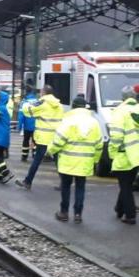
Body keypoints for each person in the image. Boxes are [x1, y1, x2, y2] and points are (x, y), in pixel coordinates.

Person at [47, 95, 103, 223]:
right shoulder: (94, 122)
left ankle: (64, 212)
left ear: (73, 107)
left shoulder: (68, 121)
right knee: (80, 187)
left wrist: (50, 151)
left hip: (67, 161)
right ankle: (78, 214)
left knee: (66, 186)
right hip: (85, 162)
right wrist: (95, 160)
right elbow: (99, 144)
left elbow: (58, 141)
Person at [109, 85, 139, 224]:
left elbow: (116, 136)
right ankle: (119, 208)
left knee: (125, 186)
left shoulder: (120, 111)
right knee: (126, 183)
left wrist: (112, 153)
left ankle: (130, 215)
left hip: (125, 154)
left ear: (122, 98)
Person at [15, 85, 64, 190]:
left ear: (44, 92)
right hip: (55, 137)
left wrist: (25, 103)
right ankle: (64, 183)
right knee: (58, 161)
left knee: (37, 160)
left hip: (44, 137)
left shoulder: (42, 103)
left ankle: (27, 182)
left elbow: (28, 111)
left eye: (41, 92)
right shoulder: (59, 105)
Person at [17, 85, 38, 162]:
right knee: (35, 141)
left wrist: (19, 127)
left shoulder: (24, 102)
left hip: (27, 126)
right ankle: (35, 155)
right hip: (36, 125)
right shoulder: (37, 101)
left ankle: (24, 156)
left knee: (26, 140)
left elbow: (20, 116)